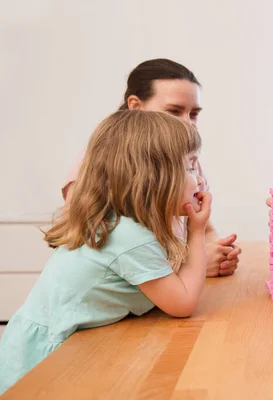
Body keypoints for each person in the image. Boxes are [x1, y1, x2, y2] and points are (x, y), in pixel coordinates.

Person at [0, 111, 211, 394]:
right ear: (154, 176)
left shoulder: (119, 223)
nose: (199, 180)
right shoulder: (130, 237)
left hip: (48, 344)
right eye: (190, 167)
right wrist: (197, 230)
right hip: (48, 359)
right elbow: (183, 303)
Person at [63, 58, 240, 277]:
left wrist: (219, 254)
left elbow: (205, 229)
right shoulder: (97, 166)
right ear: (135, 106)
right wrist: (194, 263)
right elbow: (96, 253)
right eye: (174, 111)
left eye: (193, 113)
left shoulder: (188, 161)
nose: (188, 123)